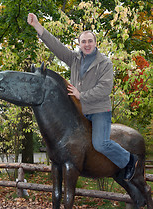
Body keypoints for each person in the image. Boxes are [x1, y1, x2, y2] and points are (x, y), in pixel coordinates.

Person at [27, 13, 138, 181]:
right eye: (83, 41)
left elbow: (105, 88)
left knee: (100, 144)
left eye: (90, 41)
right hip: (79, 110)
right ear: (79, 44)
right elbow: (56, 46)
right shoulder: (74, 59)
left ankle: (129, 159)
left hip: (99, 110)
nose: (87, 44)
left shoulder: (105, 63)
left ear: (95, 43)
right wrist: (37, 26)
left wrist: (81, 94)